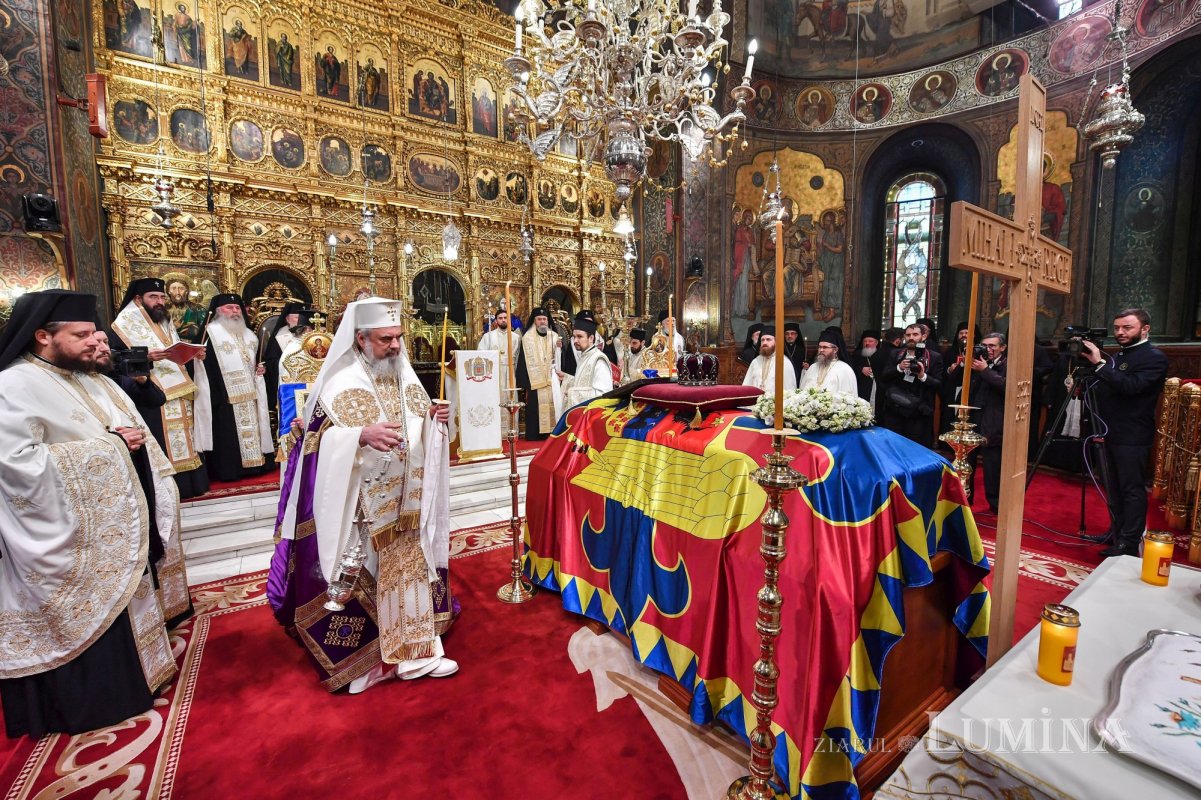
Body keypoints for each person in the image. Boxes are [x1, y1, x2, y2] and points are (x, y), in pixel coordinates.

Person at [0, 291, 176, 738]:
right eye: (79, 335)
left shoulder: (85, 377)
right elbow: (16, 464)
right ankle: (94, 701)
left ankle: (138, 678)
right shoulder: (14, 385)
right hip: (62, 537)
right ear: (43, 336)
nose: (92, 341)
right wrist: (113, 448)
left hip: (109, 524)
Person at [268, 298, 457, 693]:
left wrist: (434, 420)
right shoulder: (339, 381)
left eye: (398, 338)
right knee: (363, 576)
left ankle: (417, 650)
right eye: (386, 339)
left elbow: (420, 428)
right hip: (360, 508)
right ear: (361, 338)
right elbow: (314, 443)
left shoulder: (404, 375)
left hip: (406, 500)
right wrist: (358, 436)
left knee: (409, 570)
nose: (395, 347)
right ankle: (367, 663)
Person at [110, 277, 212, 499]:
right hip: (150, 395)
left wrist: (194, 355)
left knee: (187, 438)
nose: (159, 302)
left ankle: (191, 484)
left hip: (179, 389)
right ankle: (171, 488)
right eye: (153, 297)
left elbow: (175, 354)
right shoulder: (122, 324)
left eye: (162, 297)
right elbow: (112, 360)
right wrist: (144, 357)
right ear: (138, 299)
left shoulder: (162, 321)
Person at [1080, 308, 1170, 557]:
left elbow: (1131, 387)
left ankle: (1128, 542)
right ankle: (1116, 532)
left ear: (1145, 328)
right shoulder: (1120, 355)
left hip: (1132, 434)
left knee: (1131, 488)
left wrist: (1100, 363)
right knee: (1113, 486)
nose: (1120, 332)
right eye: (1117, 327)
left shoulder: (1154, 357)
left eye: (1127, 327)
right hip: (1110, 431)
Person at [201, 293, 274, 481]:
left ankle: (257, 466)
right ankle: (231, 469)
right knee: (228, 434)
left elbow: (254, 361)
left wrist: (260, 370)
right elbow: (205, 368)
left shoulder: (250, 335)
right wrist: (217, 394)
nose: (234, 311)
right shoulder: (210, 333)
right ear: (218, 311)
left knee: (255, 428)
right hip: (225, 396)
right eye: (229, 308)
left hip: (252, 393)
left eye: (237, 308)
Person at [879, 323, 944, 448]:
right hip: (895, 410)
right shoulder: (896, 354)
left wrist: (922, 376)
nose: (911, 338)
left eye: (915, 334)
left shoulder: (934, 357)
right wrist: (898, 368)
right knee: (893, 447)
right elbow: (884, 376)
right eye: (908, 335)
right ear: (904, 337)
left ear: (923, 337)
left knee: (917, 449)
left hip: (919, 412)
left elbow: (939, 384)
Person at [969, 333, 1008, 512]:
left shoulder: (1008, 364)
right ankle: (965, 499)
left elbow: (1007, 387)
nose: (988, 349)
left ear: (1002, 347)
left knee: (992, 466)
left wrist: (985, 370)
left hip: (994, 421)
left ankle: (996, 504)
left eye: (992, 346)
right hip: (974, 419)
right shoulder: (977, 361)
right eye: (985, 346)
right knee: (967, 462)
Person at [515, 306, 563, 441]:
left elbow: (560, 359)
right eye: (539, 319)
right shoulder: (527, 337)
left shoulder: (554, 336)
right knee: (535, 409)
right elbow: (523, 361)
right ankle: (535, 435)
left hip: (551, 379)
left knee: (553, 405)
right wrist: (525, 383)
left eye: (544, 319)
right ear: (534, 321)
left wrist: (560, 349)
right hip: (535, 381)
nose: (542, 322)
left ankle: (552, 433)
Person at [477, 309, 522, 435]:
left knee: (511, 399)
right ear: (496, 320)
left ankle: (511, 429)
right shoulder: (488, 337)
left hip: (510, 372)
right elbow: (480, 355)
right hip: (494, 374)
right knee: (495, 398)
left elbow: (519, 358)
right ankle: (494, 431)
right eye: (500, 318)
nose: (503, 320)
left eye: (505, 317)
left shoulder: (516, 338)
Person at [557, 316, 613, 406]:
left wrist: (572, 393)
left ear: (591, 338)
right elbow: (583, 384)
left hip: (591, 417)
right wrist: (567, 378)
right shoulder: (585, 356)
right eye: (574, 336)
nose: (575, 340)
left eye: (579, 337)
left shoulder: (599, 360)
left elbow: (603, 394)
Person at [263, 302, 304, 419]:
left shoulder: (310, 335)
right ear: (287, 319)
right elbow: (271, 362)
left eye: (302, 318)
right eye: (296, 317)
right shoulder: (279, 336)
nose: (300, 321)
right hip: (286, 383)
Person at [799, 328, 857, 397]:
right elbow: (802, 392)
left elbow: (848, 398)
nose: (821, 350)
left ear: (835, 350)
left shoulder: (844, 369)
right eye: (819, 347)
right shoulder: (813, 367)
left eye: (825, 347)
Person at [851, 330, 880, 406]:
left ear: (876, 343)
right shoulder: (857, 354)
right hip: (862, 386)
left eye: (870, 341)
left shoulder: (882, 354)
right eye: (865, 341)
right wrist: (861, 369)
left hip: (877, 387)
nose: (867, 343)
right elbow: (851, 367)